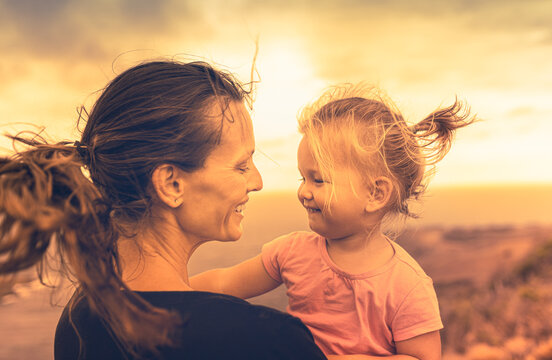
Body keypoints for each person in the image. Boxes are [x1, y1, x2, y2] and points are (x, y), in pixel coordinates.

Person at [0, 60, 328, 359]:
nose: (257, 182)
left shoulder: (79, 319)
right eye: (241, 166)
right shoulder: (264, 339)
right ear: (171, 184)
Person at [191, 86, 476, 359]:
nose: (303, 191)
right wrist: (158, 290)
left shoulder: (408, 286)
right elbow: (226, 282)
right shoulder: (292, 253)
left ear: (376, 193)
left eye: (318, 179)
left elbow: (421, 357)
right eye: (303, 178)